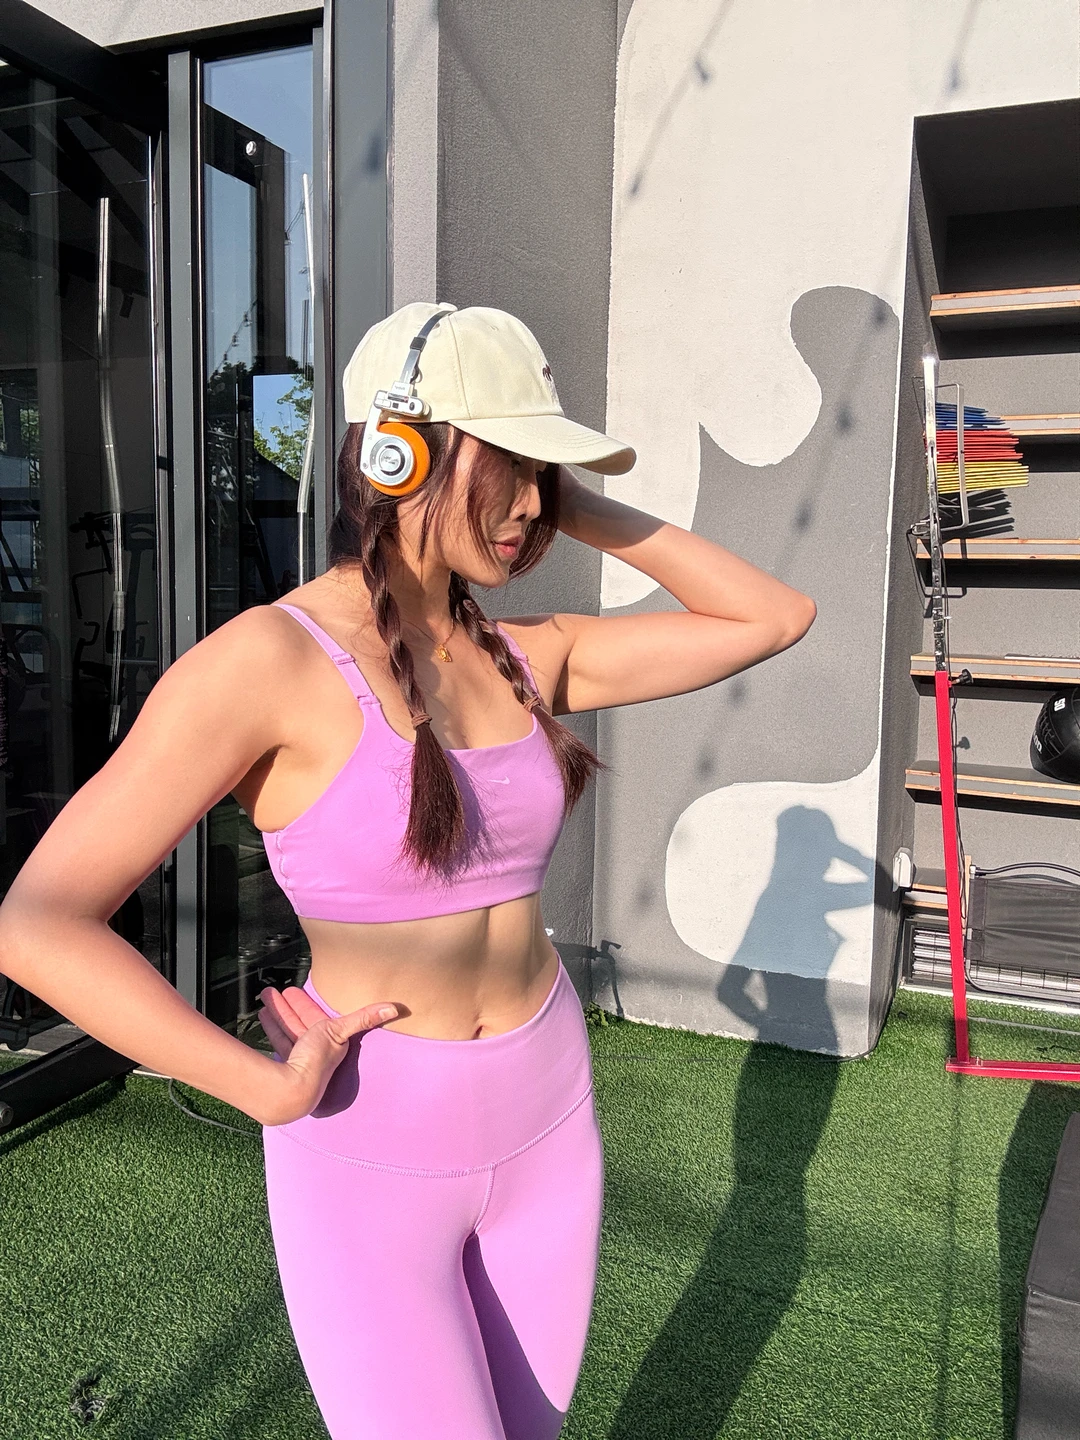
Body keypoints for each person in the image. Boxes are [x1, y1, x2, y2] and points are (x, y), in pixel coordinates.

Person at [0, 302, 816, 1439]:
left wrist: (568, 500)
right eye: (511, 463)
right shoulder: (266, 660)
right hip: (369, 1144)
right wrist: (260, 1088)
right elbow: (38, 922)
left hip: (549, 1116)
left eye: (543, 474)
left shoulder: (527, 656)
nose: (528, 504)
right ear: (399, 453)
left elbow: (774, 615)